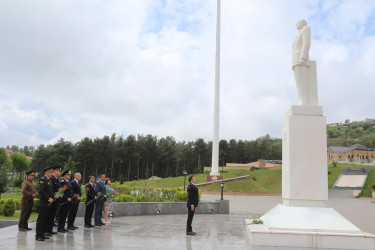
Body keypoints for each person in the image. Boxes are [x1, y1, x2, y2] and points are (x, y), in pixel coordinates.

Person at [292, 19, 314, 106]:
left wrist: (303, 57)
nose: (296, 24)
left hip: (300, 58)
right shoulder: (299, 33)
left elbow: (306, 43)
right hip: (295, 59)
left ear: (302, 23)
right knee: (298, 81)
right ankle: (301, 99)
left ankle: (304, 100)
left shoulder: (306, 29)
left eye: (298, 22)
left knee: (303, 80)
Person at [35, 167, 54, 241]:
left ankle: (42, 234)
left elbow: (49, 191)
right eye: (51, 172)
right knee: (41, 220)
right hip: (43, 203)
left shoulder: (49, 180)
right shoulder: (42, 179)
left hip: (47, 203)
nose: (52, 174)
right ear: (47, 172)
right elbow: (41, 191)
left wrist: (53, 196)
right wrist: (48, 198)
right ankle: (38, 235)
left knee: (45, 219)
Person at [48, 167, 61, 234]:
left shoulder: (57, 180)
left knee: (53, 215)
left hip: (56, 200)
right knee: (49, 216)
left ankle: (50, 230)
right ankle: (47, 230)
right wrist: (53, 196)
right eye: (59, 171)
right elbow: (50, 190)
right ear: (55, 171)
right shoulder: (51, 179)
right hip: (51, 200)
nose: (60, 172)